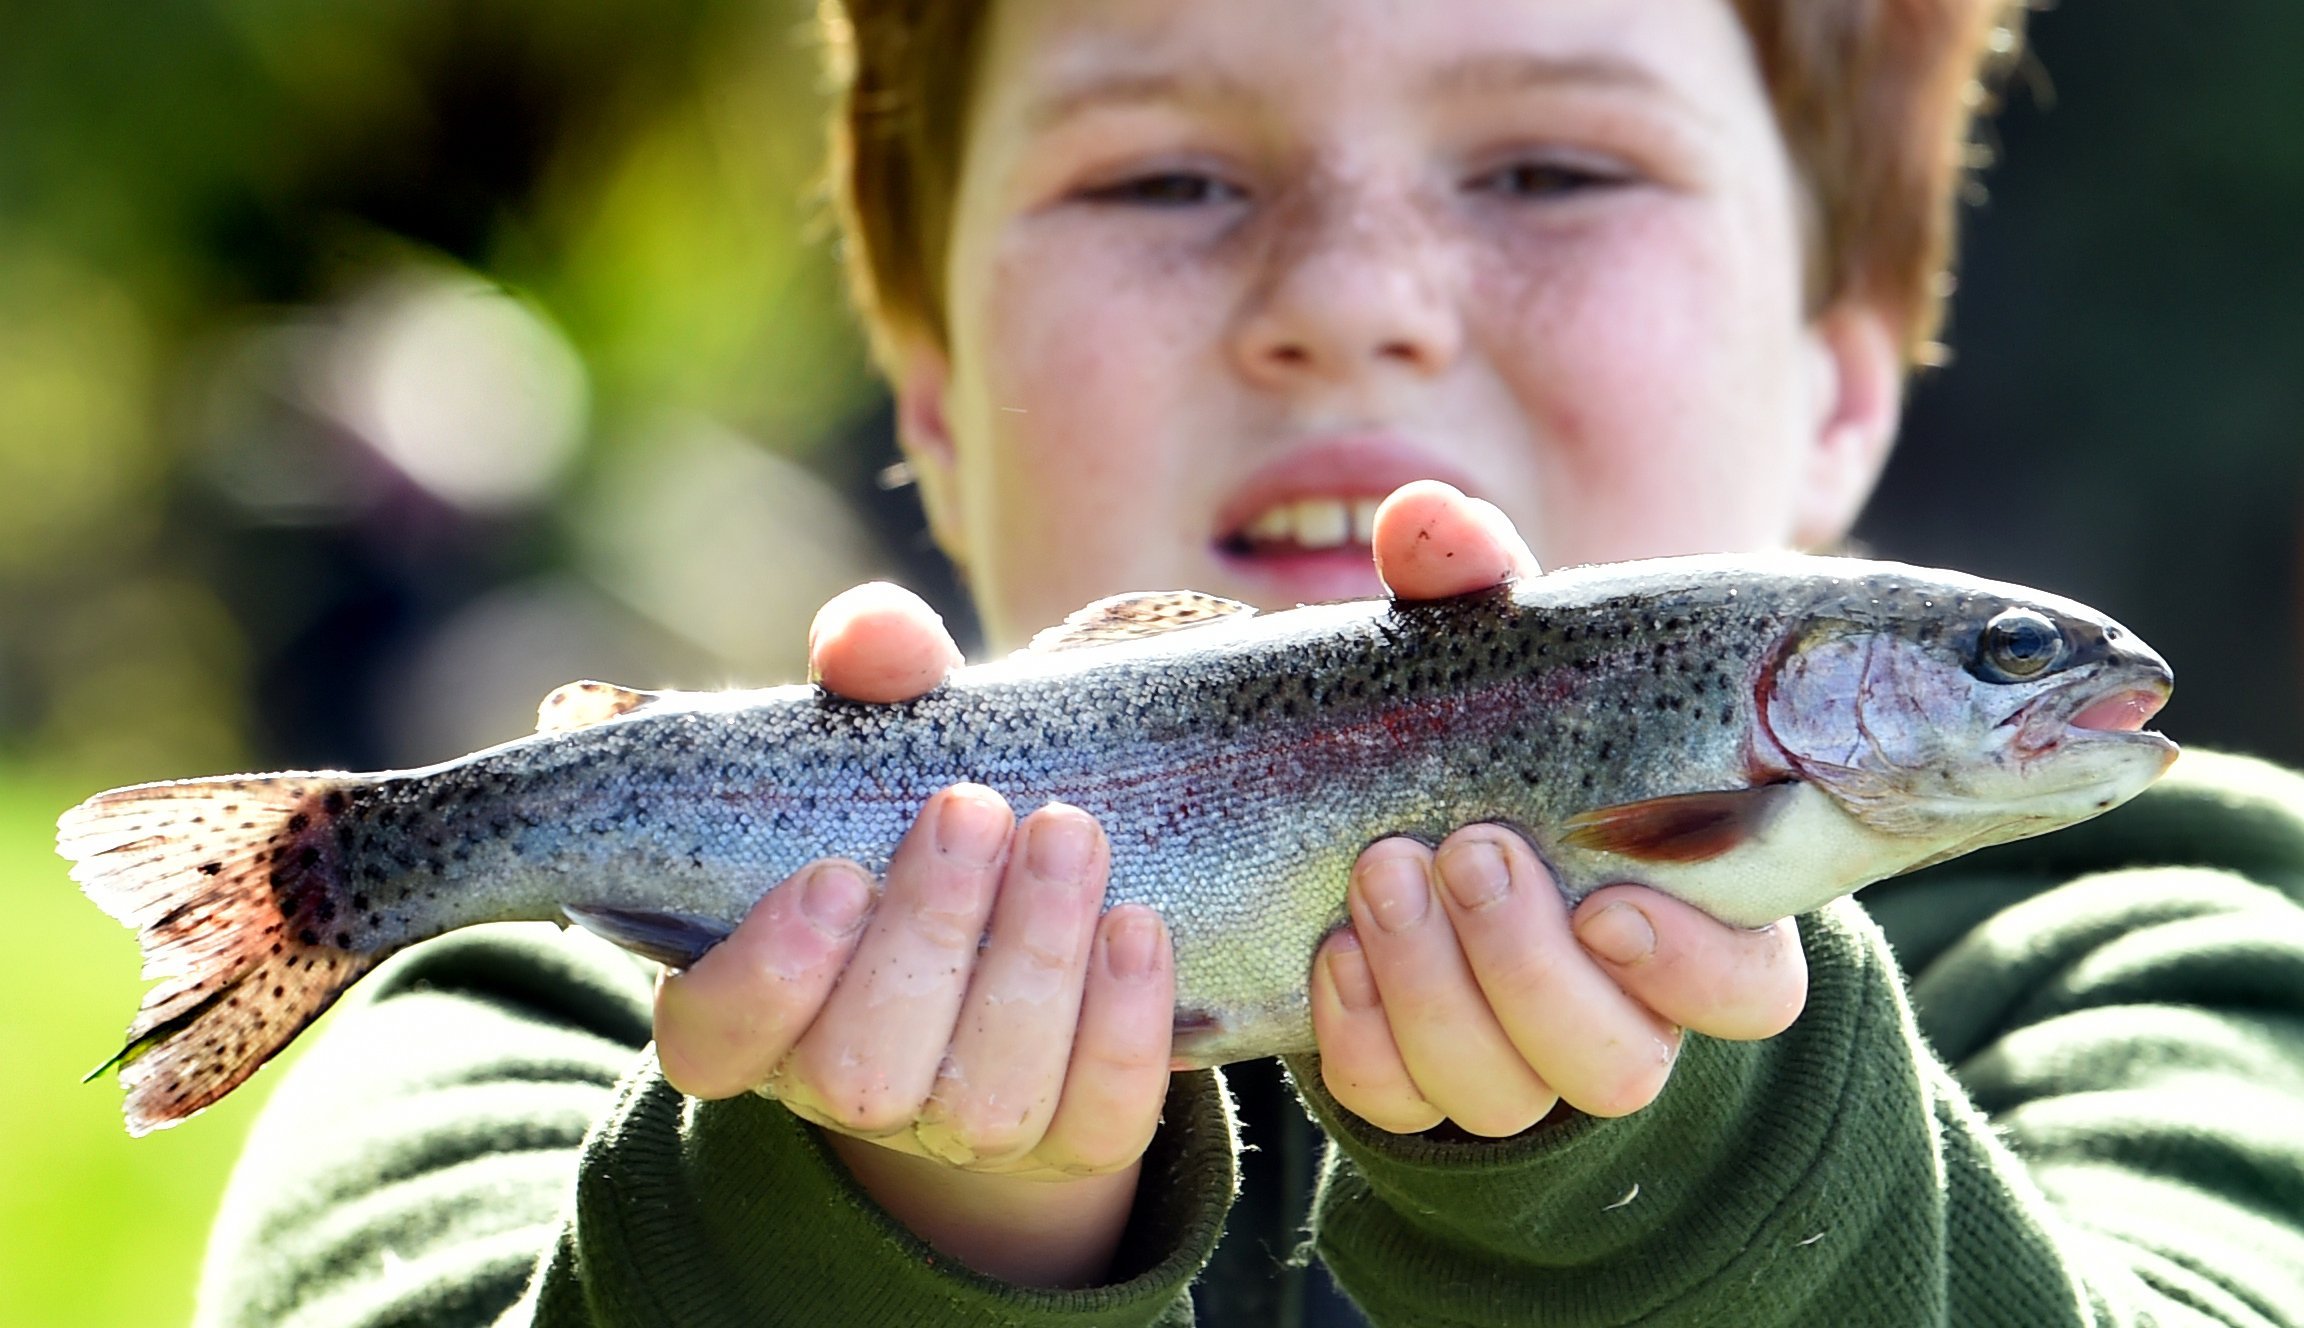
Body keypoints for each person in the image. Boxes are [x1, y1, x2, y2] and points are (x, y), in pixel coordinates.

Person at [193, 1, 2304, 1324]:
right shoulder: (560, 1012)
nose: (1353, 298)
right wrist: (882, 1208)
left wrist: (1686, 1148)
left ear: (1847, 392)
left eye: (1554, 167)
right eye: (1166, 178)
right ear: (924, 394)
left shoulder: (2178, 948)